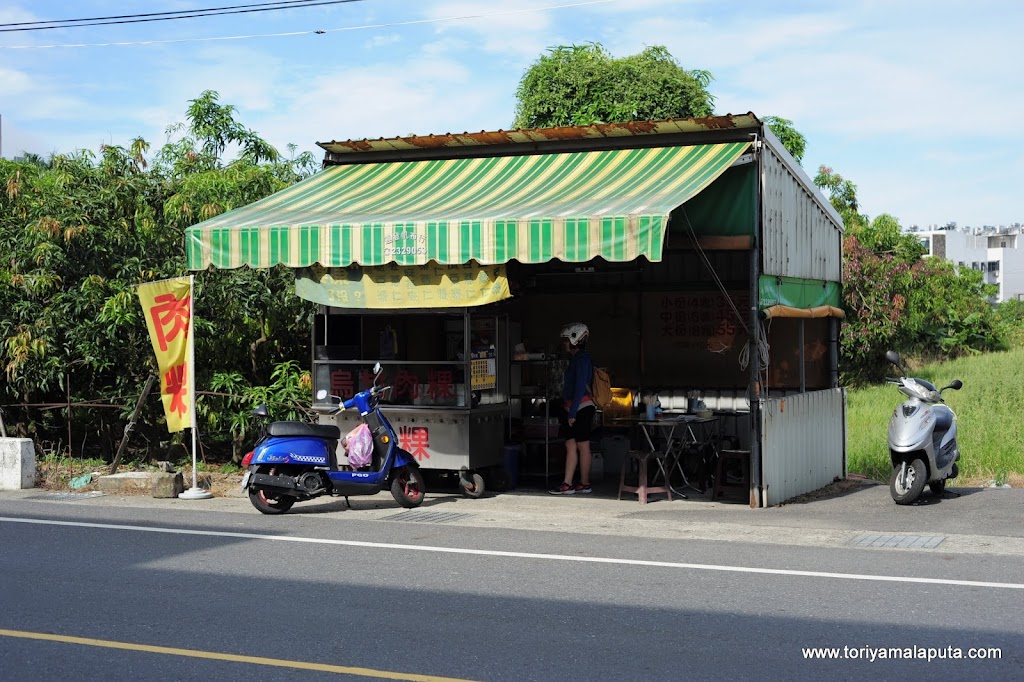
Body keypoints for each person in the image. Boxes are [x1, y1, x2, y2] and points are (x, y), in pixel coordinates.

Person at [550, 322, 595, 495]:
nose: (564, 344)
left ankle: (584, 483)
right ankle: (567, 483)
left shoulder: (582, 359)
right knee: (570, 445)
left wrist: (573, 412)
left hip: (581, 408)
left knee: (583, 446)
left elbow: (579, 388)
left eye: (566, 340)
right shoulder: (575, 359)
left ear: (576, 339)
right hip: (573, 408)